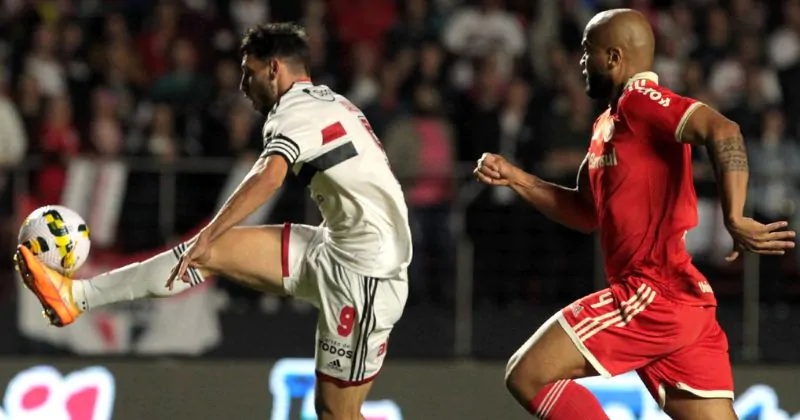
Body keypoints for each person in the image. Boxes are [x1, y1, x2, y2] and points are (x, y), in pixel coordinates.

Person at [15, 23, 412, 420]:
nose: (243, 84)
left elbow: (268, 177)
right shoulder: (330, 103)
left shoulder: (295, 112)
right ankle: (76, 298)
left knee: (337, 415)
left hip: (367, 275)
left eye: (248, 71)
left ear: (274, 69)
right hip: (337, 248)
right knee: (209, 254)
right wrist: (209, 239)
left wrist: (209, 230)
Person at [474, 9, 796, 420]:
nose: (581, 62)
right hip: (682, 303)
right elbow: (585, 213)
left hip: (650, 292)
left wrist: (735, 216)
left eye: (587, 52)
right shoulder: (607, 124)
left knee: (527, 374)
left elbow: (724, 130)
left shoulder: (639, 101)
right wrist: (518, 179)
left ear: (613, 58)